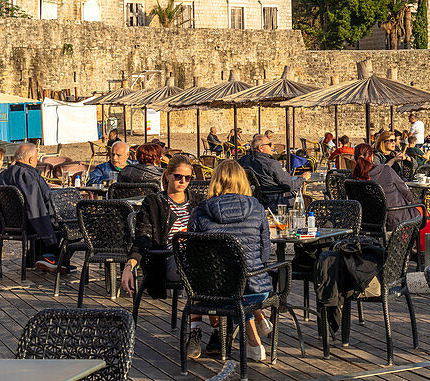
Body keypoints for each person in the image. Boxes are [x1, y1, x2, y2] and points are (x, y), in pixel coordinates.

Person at [189, 160, 274, 362]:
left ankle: (253, 342)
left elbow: (193, 256)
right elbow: (265, 252)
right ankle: (256, 338)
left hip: (211, 291)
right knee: (242, 291)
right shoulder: (256, 207)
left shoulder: (200, 211)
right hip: (253, 288)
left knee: (232, 286)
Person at [121, 155, 205, 356]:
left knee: (211, 270)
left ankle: (215, 331)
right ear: (167, 176)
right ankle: (199, 332)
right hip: (167, 258)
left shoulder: (197, 202)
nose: (183, 182)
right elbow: (144, 237)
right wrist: (129, 265)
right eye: (178, 177)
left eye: (188, 178)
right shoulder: (154, 202)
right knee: (201, 275)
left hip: (197, 257)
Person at [0, 143, 65, 272]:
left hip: (7, 225)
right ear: (31, 159)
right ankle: (49, 257)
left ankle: (34, 259)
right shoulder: (28, 175)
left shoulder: (2, 176)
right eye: (36, 158)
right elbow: (37, 205)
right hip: (31, 223)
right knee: (68, 226)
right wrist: (48, 236)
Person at [351, 143, 421, 230]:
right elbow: (406, 192)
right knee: (422, 213)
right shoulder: (385, 170)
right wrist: (412, 203)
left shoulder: (351, 179)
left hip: (365, 222)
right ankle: (420, 243)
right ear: (372, 157)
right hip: (393, 220)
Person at [238, 133, 301, 209]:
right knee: (298, 184)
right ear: (261, 148)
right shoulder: (271, 164)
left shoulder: (244, 160)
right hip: (277, 201)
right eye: (269, 144)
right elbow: (289, 186)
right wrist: (303, 178)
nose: (272, 147)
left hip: (255, 199)